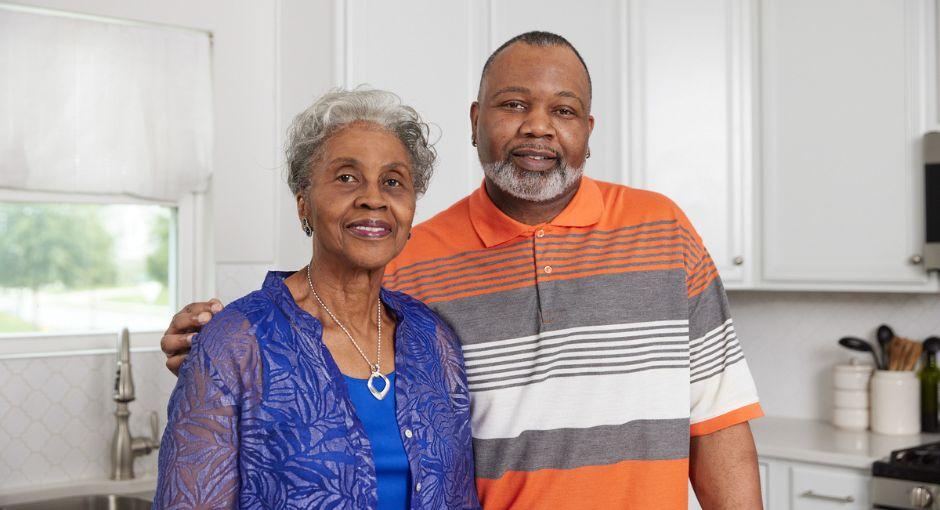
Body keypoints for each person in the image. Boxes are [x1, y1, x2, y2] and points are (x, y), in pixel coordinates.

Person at [162, 32, 763, 509]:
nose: (538, 126)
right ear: (477, 119)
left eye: (564, 109)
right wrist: (220, 346)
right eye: (514, 104)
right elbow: (321, 316)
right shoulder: (412, 259)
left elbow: (719, 423)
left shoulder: (663, 231)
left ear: (587, 130)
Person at [154, 89, 480, 509]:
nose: (373, 197)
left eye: (393, 181)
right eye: (346, 177)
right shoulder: (236, 344)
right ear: (303, 204)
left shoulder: (433, 339)